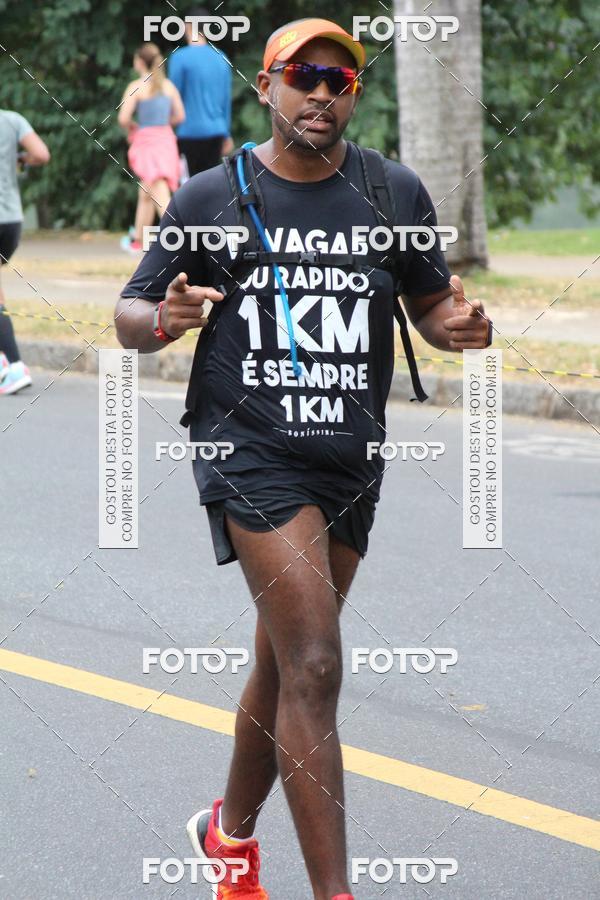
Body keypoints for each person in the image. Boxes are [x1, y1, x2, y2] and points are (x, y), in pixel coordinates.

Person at [115, 18, 492, 899]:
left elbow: (432, 308)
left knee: (286, 660)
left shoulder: (391, 190)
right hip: (250, 450)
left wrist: (462, 328)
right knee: (317, 662)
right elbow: (129, 316)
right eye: (304, 76)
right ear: (267, 87)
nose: (322, 92)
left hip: (350, 457)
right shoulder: (212, 195)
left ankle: (228, 837)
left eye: (340, 80)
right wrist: (164, 317)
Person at [0, 109, 50, 395]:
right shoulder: (12, 120)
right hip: (11, 221)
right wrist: (20, 159)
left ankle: (13, 365)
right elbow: (41, 154)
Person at [118, 43, 185, 253]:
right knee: (146, 191)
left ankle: (178, 238)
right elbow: (180, 116)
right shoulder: (168, 86)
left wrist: (133, 127)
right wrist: (164, 124)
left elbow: (123, 118)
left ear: (140, 61)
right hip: (166, 141)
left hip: (147, 142)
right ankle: (138, 240)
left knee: (159, 192)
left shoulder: (137, 86)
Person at [169, 7, 234, 177]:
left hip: (188, 132)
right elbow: (226, 99)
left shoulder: (180, 57)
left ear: (188, 26)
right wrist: (226, 132)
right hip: (216, 132)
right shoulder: (221, 57)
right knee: (210, 184)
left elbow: (173, 97)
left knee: (189, 186)